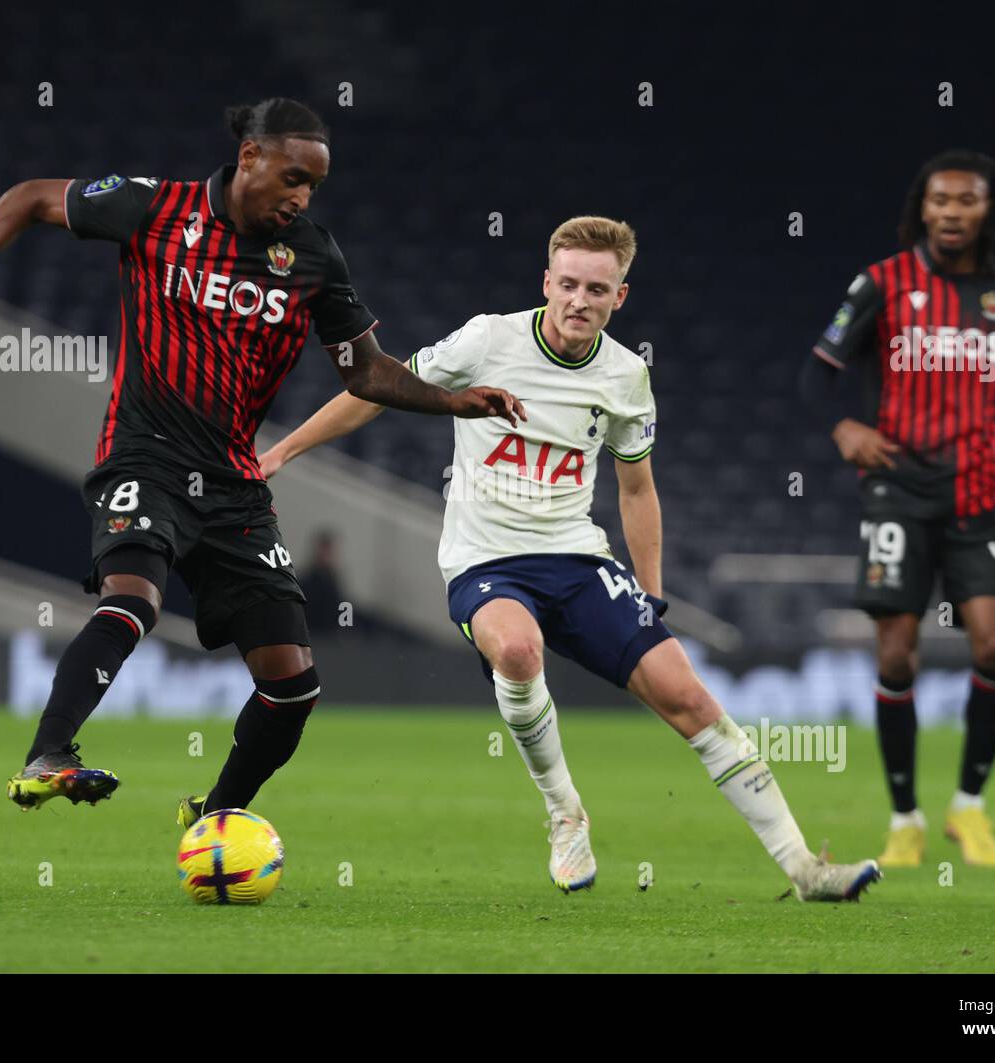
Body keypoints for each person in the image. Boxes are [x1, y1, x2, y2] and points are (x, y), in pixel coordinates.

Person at [0, 97, 525, 823]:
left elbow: (366, 371)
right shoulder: (154, 208)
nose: (301, 197)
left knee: (293, 684)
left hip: (235, 485)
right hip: (145, 456)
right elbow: (30, 197)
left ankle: (215, 815)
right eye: (293, 177)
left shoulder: (315, 258)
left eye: (314, 187)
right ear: (250, 157)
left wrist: (452, 399)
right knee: (134, 596)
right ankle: (50, 753)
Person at [268, 216, 880, 900]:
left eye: (597, 288)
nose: (578, 300)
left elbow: (637, 487)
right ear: (546, 283)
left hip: (576, 557)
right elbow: (373, 390)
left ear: (620, 296)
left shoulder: (625, 374)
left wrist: (650, 594)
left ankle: (805, 867)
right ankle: (565, 813)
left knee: (690, 699)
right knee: (519, 651)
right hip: (484, 558)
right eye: (567, 284)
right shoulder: (489, 339)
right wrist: (284, 451)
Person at [800, 149, 995, 868]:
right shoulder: (881, 283)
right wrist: (844, 428)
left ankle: (970, 809)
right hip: (897, 488)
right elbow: (817, 372)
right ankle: (905, 821)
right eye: (941, 200)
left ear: (990, 210)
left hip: (978, 489)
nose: (953, 211)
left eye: (967, 200)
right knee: (896, 652)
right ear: (922, 208)